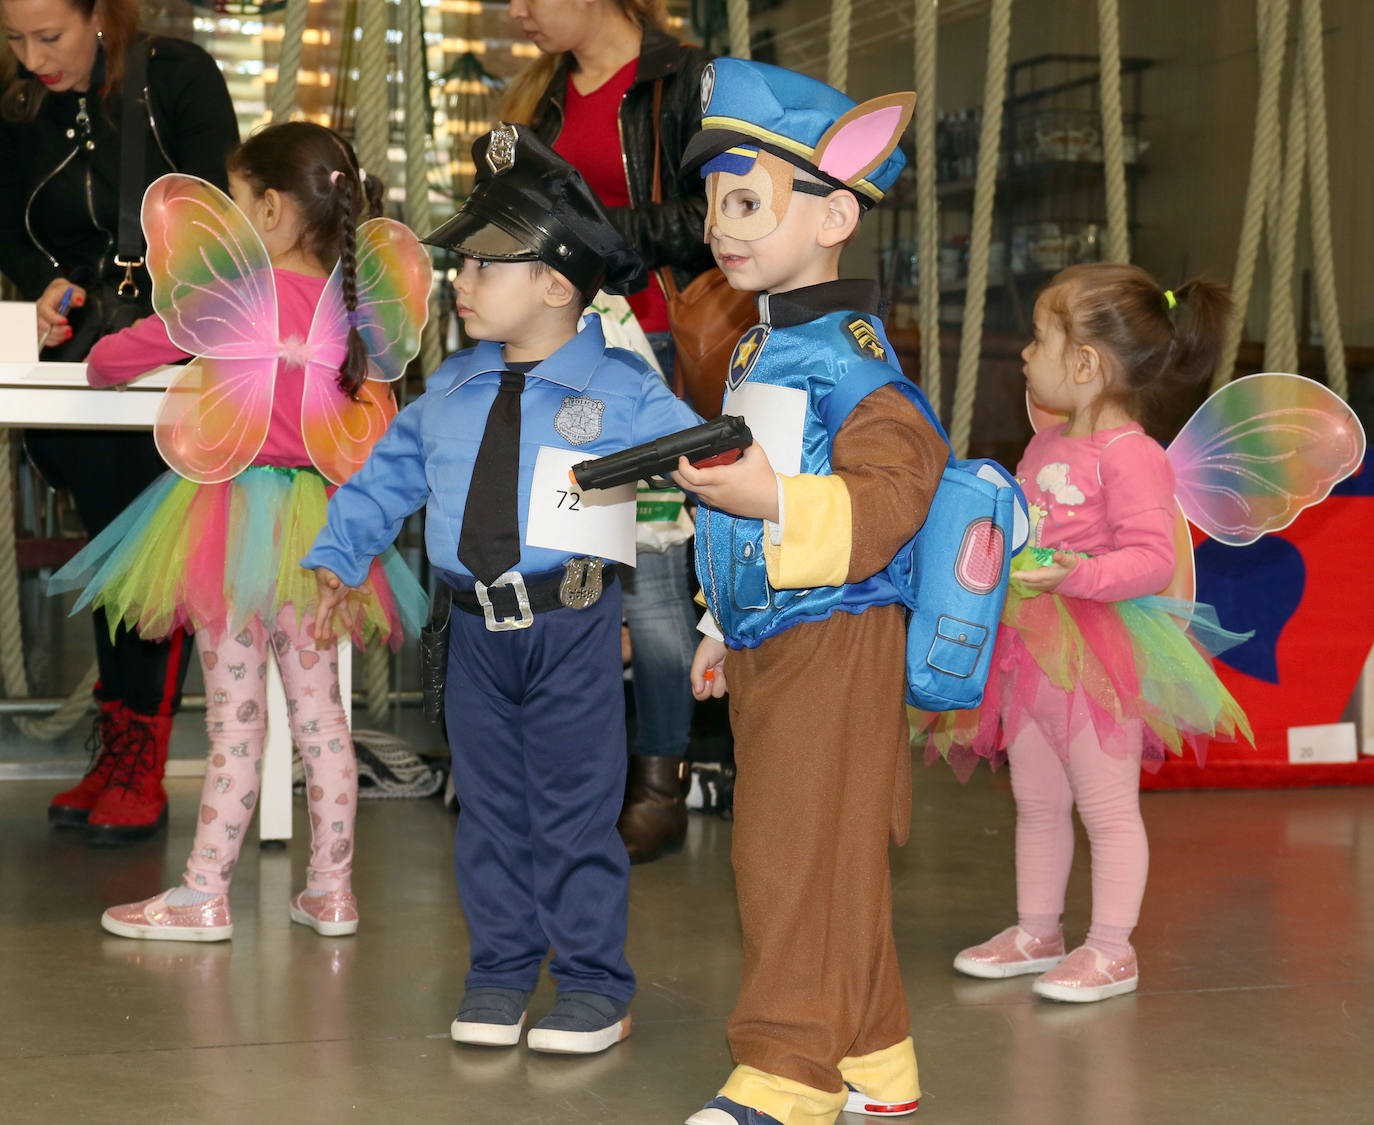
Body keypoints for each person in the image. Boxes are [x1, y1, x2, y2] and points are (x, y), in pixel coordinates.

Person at [304, 125, 701, 1054]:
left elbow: (707, 461)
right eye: (462, 265)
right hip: (473, 634)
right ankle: (500, 970)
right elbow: (388, 475)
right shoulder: (451, 384)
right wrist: (338, 552)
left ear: (558, 283)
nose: (461, 282)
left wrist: (726, 578)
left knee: (572, 810)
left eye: (484, 265)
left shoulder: (619, 388)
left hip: (570, 627)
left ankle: (595, 983)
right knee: (485, 809)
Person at [47, 122, 429, 940]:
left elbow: (121, 356)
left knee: (237, 723)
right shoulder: (353, 304)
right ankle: (332, 890)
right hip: (326, 531)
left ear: (269, 206)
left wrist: (96, 356)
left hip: (230, 522)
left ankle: (203, 892)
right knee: (323, 718)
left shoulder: (234, 295)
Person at [672, 60, 944, 1125]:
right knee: (825, 850)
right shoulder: (762, 346)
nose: (719, 228)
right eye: (713, 206)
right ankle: (876, 1057)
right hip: (774, 632)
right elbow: (750, 498)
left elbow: (900, 478)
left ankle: (789, 1074)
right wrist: (715, 622)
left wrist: (774, 495)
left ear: (836, 211)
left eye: (745, 202)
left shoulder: (850, 358)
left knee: (788, 854)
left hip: (836, 630)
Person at [917, 263, 1250, 1002]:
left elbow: (1152, 557)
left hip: (1104, 656)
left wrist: (1074, 575)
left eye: (1039, 339)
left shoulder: (1134, 456)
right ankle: (1039, 929)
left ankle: (1111, 949)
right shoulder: (1045, 443)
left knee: (1105, 806)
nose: (1027, 355)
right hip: (1032, 649)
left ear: (1088, 364)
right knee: (1036, 800)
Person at [0, 0, 239, 843]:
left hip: (167, 360)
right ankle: (120, 745)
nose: (33, 58)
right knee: (112, 556)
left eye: (50, 36)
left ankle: (142, 751)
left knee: (149, 560)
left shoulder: (174, 76)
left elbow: (224, 224)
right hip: (73, 369)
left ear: (101, 13)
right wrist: (48, 287)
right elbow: (14, 233)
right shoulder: (18, 107)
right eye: (15, 39)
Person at [503, 0, 715, 862]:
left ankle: (662, 780)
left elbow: (720, 218)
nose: (517, 12)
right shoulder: (537, 97)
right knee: (571, 561)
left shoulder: (683, 81)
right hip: (570, 352)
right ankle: (582, 777)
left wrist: (604, 234)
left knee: (658, 575)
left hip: (660, 343)